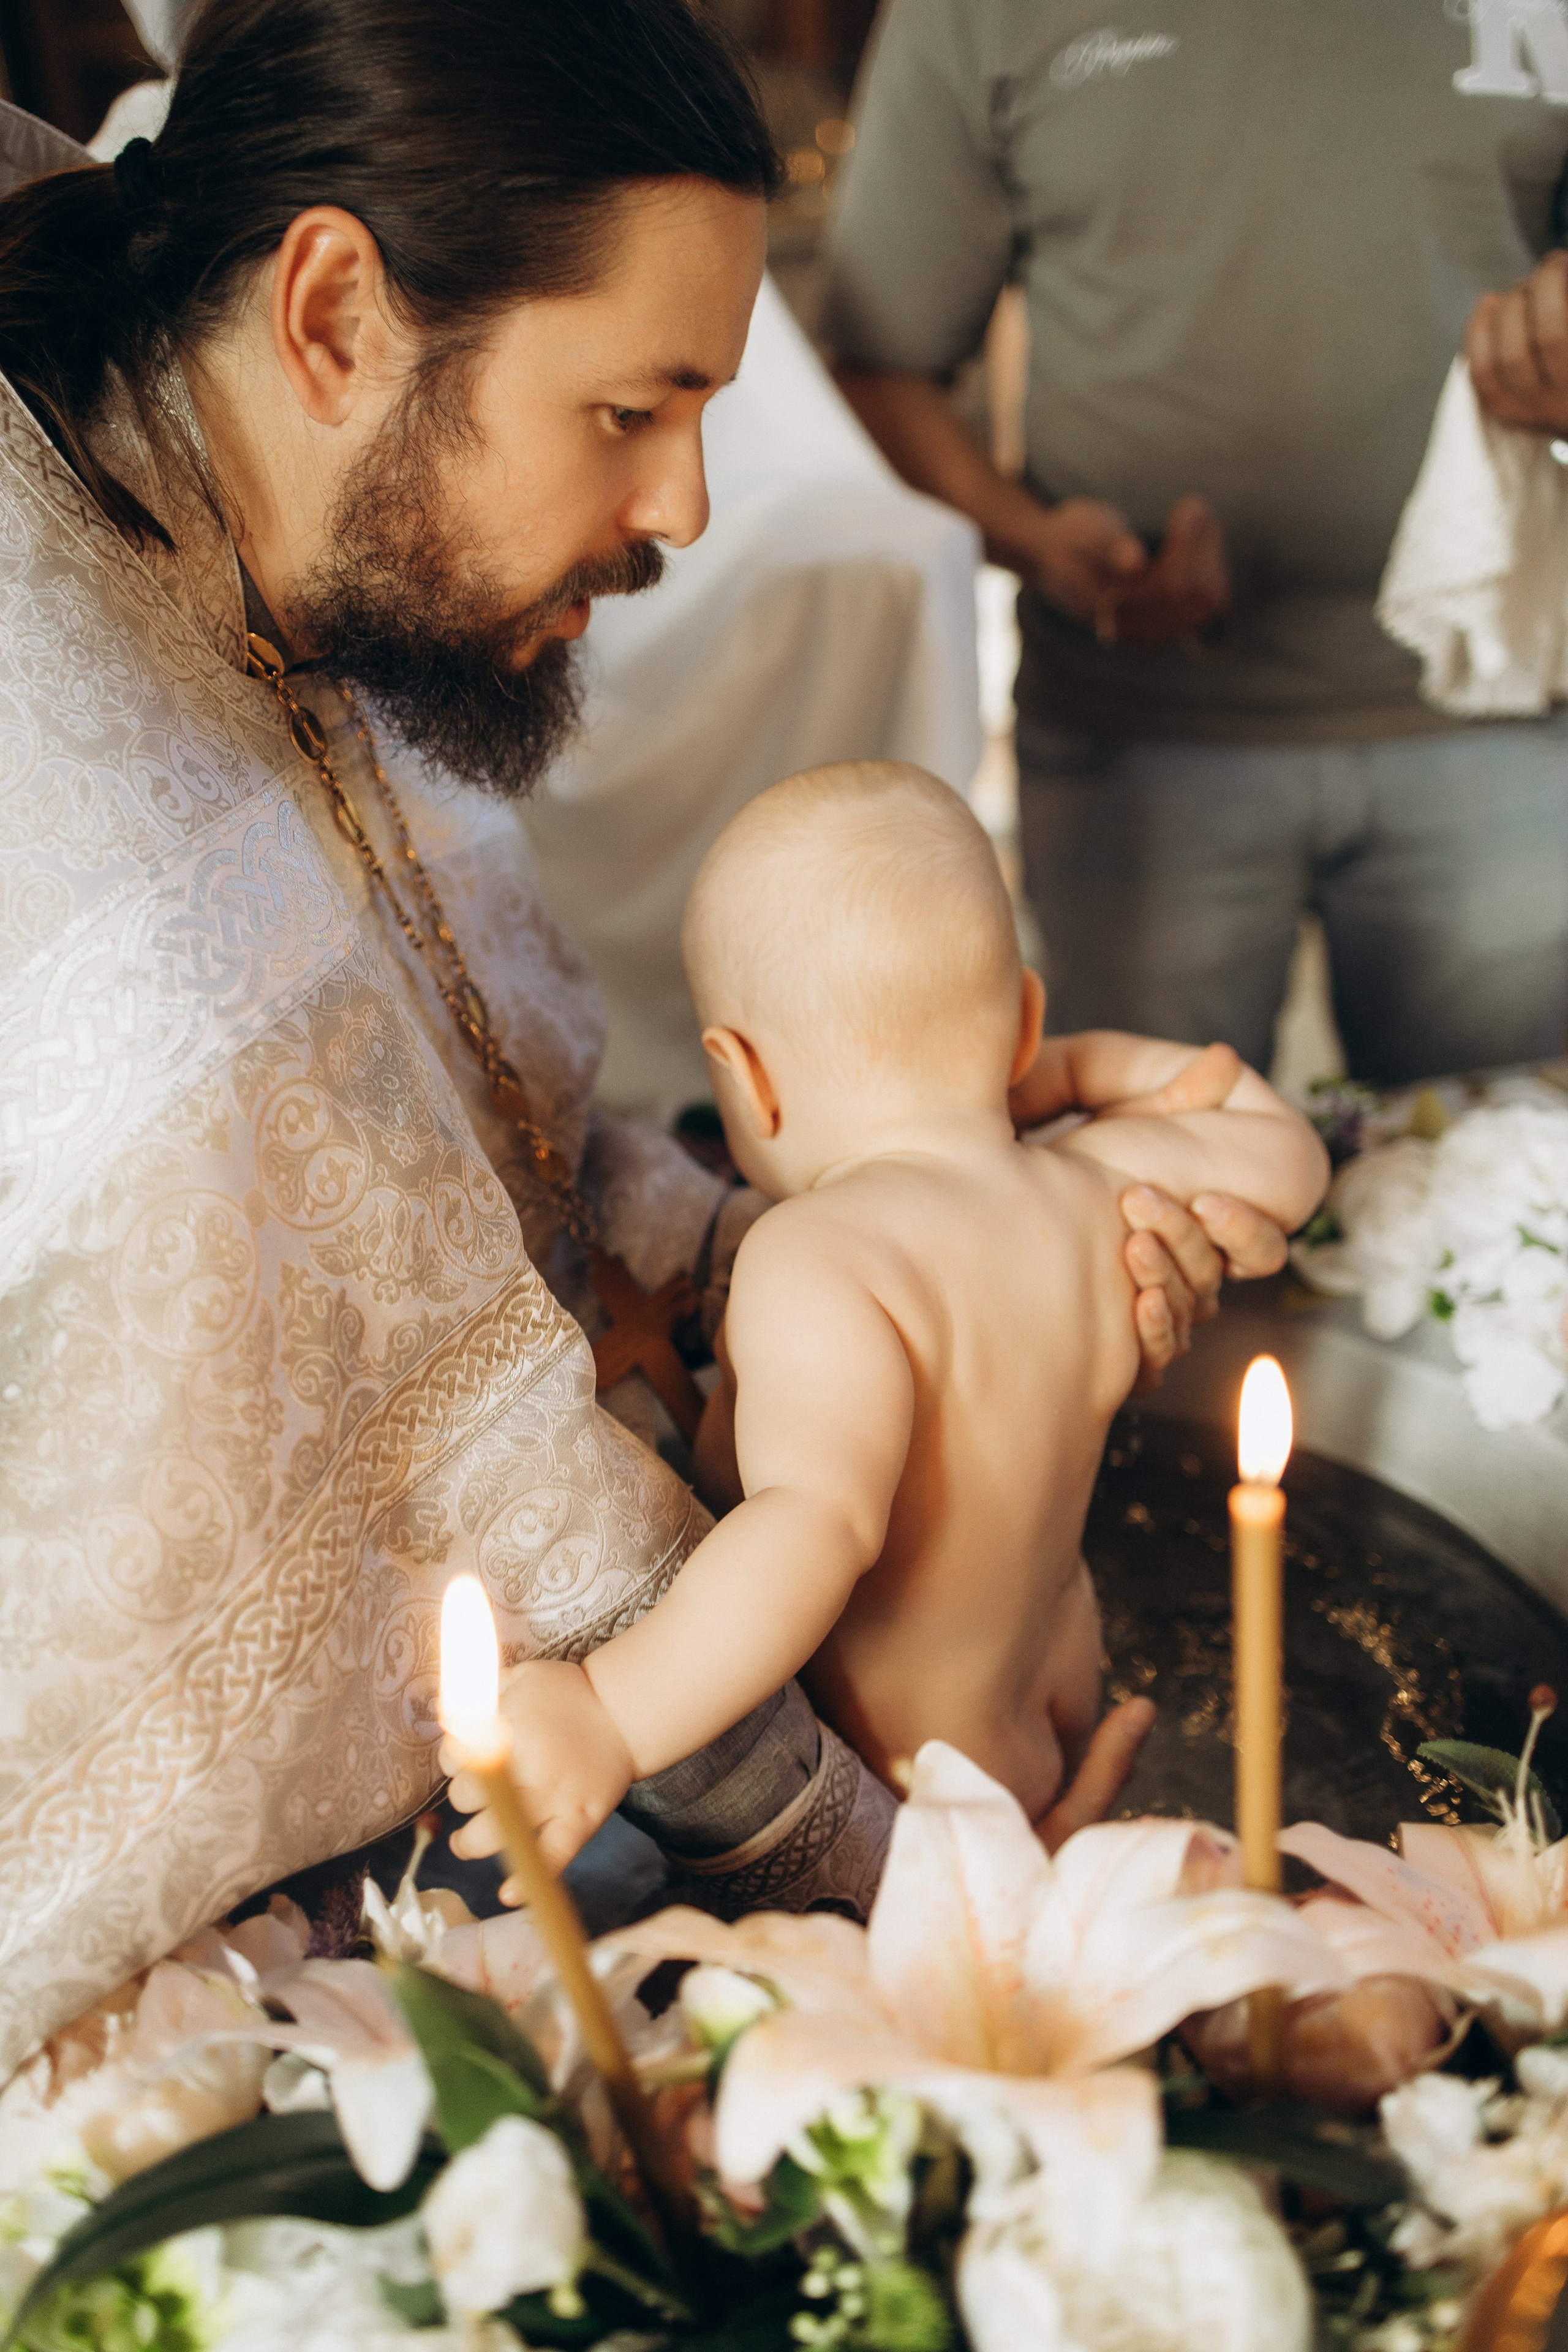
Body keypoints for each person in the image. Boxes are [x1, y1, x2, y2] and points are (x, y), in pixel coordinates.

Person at [0, 0, 1284, 2081]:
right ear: (334, 315)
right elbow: (472, 1450)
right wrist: (938, 1904)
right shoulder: (62, 752)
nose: (684, 503)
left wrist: (882, 1216)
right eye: (630, 409)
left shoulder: (281, 553)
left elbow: (502, 1126)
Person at [445, 764, 1325, 1875]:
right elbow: (1285, 1158)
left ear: (744, 1077)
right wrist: (1090, 1070)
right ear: (1025, 1029)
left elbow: (812, 1528)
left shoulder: (818, 1253)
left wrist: (611, 1718)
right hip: (1046, 1710)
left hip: (911, 1772)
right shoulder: (1092, 1187)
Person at [824, 0, 1568, 1085]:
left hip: (1503, 707)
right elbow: (880, 364)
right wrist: (1038, 544)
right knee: (1153, 1218)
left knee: (1509, 1205)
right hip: (1142, 737)